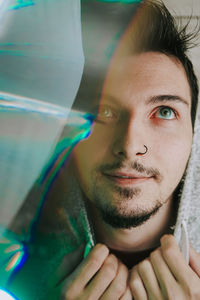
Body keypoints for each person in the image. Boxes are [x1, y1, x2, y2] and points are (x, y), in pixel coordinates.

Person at [8, 0, 200, 299]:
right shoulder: (11, 268)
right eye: (104, 112)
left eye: (164, 112)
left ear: (193, 136)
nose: (130, 146)